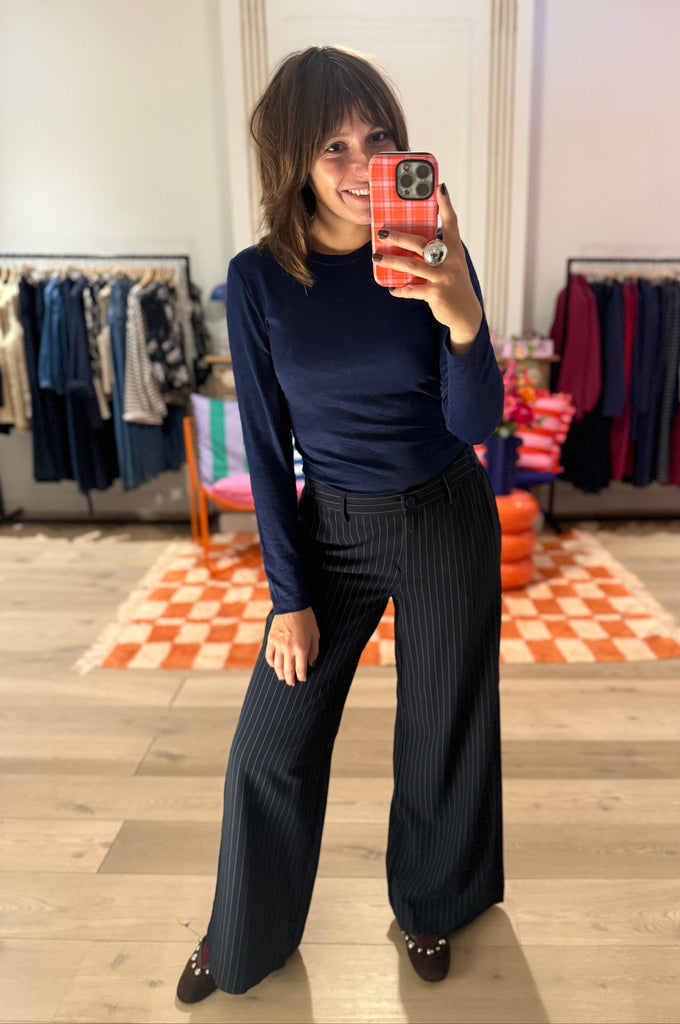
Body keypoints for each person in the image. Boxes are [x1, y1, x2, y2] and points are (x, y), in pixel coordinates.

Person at [176, 44, 504, 1004]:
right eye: (334, 146)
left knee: (442, 727)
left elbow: (476, 423)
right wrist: (288, 599)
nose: (364, 166)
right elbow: (265, 450)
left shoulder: (431, 250)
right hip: (331, 529)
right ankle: (243, 937)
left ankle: (433, 903)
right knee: (269, 746)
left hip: (445, 513)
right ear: (293, 161)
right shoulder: (259, 281)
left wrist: (461, 313)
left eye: (379, 138)